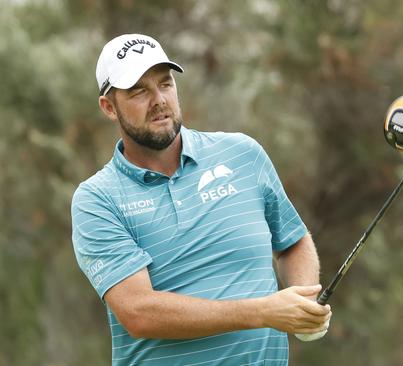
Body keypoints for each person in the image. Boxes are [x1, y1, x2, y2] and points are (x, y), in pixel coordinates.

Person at [71, 33, 331, 365]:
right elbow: (139, 313)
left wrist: (304, 301)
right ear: (109, 107)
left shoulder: (242, 154)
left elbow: (292, 241)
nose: (159, 100)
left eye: (165, 85)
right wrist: (264, 312)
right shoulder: (97, 199)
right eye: (139, 92)